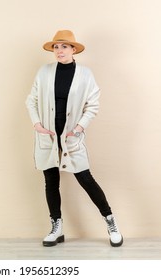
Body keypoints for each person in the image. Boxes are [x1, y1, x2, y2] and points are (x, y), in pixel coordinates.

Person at [25, 30, 123, 247]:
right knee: (51, 181)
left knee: (86, 179)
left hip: (71, 137)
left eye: (64, 47)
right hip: (48, 137)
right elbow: (31, 100)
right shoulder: (44, 72)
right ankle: (56, 227)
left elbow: (93, 105)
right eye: (56, 47)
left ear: (73, 49)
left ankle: (110, 221)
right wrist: (37, 125)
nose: (59, 51)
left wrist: (78, 128)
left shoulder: (85, 74)